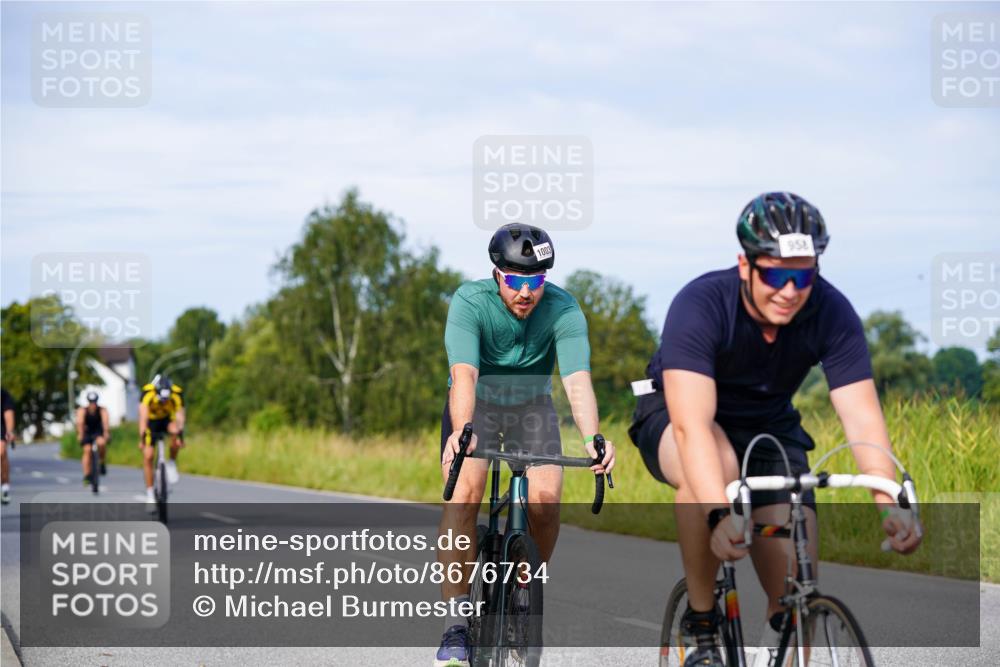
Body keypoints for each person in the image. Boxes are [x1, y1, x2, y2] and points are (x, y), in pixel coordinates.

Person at [628, 192, 921, 666]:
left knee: (793, 586)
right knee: (715, 471)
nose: (790, 290)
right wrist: (718, 516)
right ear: (745, 265)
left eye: (803, 275)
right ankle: (702, 624)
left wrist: (889, 501)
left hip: (769, 424)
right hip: (679, 415)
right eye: (776, 274)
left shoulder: (831, 310)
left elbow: (863, 417)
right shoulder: (701, 304)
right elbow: (692, 428)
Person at [434, 223, 615, 667]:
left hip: (532, 407)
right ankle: (456, 627)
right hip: (478, 405)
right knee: (466, 496)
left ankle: (523, 585)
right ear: (497, 274)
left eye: (535, 281)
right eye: (515, 280)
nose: (526, 292)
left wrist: (594, 438)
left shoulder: (563, 310)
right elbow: (465, 375)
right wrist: (463, 428)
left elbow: (576, 382)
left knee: (547, 499)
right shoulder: (470, 302)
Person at [138, 374, 185, 510]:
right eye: (161, 399)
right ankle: (150, 493)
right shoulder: (148, 392)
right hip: (151, 422)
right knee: (148, 456)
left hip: (167, 419)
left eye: (166, 399)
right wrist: (142, 439)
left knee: (175, 431)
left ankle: (171, 462)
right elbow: (143, 417)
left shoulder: (177, 393)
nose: (164, 402)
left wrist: (180, 437)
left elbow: (180, 415)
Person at [76, 391, 110, 485]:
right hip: (87, 432)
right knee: (87, 450)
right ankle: (87, 475)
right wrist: (80, 435)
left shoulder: (102, 410)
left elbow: (105, 422)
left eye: (94, 402)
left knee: (101, 443)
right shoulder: (82, 410)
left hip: (98, 432)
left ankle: (102, 462)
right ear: (88, 402)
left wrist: (106, 433)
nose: (93, 404)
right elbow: (80, 423)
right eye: (91, 402)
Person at [1, 388, 15, 505]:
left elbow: (8, 415)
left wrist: (9, 431)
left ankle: (5, 486)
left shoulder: (3, 394)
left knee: (1, 451)